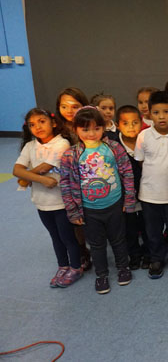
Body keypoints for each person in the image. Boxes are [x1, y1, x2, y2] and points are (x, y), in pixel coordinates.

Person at [59, 107, 136, 294]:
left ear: (103, 128)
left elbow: (127, 172)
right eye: (85, 129)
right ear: (76, 129)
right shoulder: (71, 155)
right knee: (96, 244)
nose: (92, 133)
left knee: (118, 239)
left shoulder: (114, 147)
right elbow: (65, 183)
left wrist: (129, 200)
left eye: (96, 128)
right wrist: (73, 210)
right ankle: (101, 275)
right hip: (89, 208)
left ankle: (123, 267)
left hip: (114, 204)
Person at [13, 108, 82, 288]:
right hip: (41, 202)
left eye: (41, 122)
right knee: (55, 237)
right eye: (32, 125)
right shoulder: (30, 146)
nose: (37, 127)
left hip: (61, 201)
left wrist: (25, 176)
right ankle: (63, 265)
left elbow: (44, 166)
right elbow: (16, 170)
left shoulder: (61, 144)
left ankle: (76, 267)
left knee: (67, 237)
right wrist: (40, 179)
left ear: (53, 123)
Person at [134, 91, 168, 279]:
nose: (161, 117)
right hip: (150, 194)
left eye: (166, 111)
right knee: (153, 230)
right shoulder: (143, 136)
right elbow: (141, 162)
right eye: (156, 113)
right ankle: (157, 257)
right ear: (149, 114)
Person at [106, 105, 150, 271]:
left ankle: (148, 254)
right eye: (126, 123)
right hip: (125, 196)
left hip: (146, 192)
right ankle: (134, 254)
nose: (131, 127)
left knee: (148, 226)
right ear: (117, 125)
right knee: (129, 228)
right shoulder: (113, 145)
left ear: (141, 123)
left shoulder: (146, 140)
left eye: (135, 122)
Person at [54, 87, 91, 271]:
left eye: (74, 106)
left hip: (89, 180)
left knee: (89, 218)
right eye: (64, 106)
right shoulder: (56, 130)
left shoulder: (88, 127)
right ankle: (81, 252)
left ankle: (93, 247)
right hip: (66, 182)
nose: (69, 111)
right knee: (73, 220)